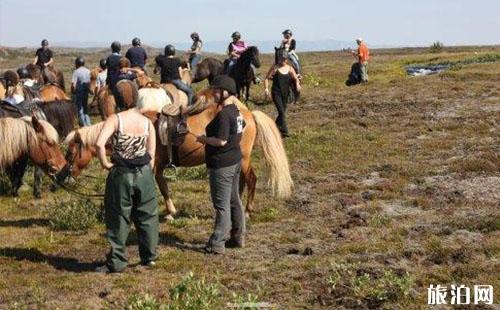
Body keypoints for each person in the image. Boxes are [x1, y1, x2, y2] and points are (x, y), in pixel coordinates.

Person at [95, 92, 158, 273]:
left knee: (118, 217)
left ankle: (118, 262)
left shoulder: (115, 119)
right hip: (143, 173)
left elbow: (100, 144)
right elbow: (152, 153)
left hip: (121, 173)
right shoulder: (147, 122)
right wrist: (146, 171)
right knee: (148, 215)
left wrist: (105, 163)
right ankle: (149, 258)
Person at [195, 75, 246, 255]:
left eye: (217, 90)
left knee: (221, 205)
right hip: (235, 160)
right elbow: (243, 127)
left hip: (222, 164)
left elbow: (221, 141)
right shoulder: (237, 111)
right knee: (234, 200)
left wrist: (203, 139)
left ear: (226, 92)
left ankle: (217, 243)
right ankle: (238, 236)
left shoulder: (224, 114)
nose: (214, 93)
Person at [264, 50, 301, 138]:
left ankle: (271, 128)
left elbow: (296, 78)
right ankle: (285, 132)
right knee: (281, 112)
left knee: (282, 113)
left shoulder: (290, 68)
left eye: (284, 59)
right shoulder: (275, 68)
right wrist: (266, 89)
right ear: (279, 59)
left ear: (287, 59)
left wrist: (297, 84)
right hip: (276, 93)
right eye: (281, 59)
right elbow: (266, 78)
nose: (283, 61)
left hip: (285, 94)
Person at [71, 56, 92, 126]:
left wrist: (73, 92)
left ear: (77, 63)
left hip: (79, 93)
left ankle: (84, 126)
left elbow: (73, 85)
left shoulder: (76, 72)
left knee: (80, 110)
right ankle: (89, 124)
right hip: (86, 93)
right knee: (86, 109)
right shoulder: (88, 71)